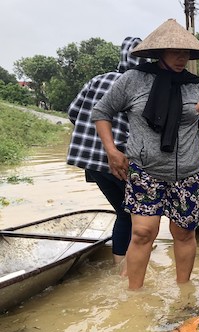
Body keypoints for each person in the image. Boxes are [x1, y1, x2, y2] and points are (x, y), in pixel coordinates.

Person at [91, 19, 199, 290]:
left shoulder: (196, 86)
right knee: (141, 233)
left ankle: (184, 292)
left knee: (183, 233)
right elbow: (101, 113)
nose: (181, 58)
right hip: (145, 171)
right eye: (175, 52)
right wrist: (112, 151)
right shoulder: (133, 80)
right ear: (159, 52)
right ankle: (134, 296)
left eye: (186, 53)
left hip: (188, 173)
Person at [66, 36, 147, 272]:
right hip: (119, 160)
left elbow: (73, 112)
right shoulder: (141, 85)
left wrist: (93, 140)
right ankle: (127, 268)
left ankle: (121, 265)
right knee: (135, 213)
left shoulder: (97, 80)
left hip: (90, 160)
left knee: (124, 211)